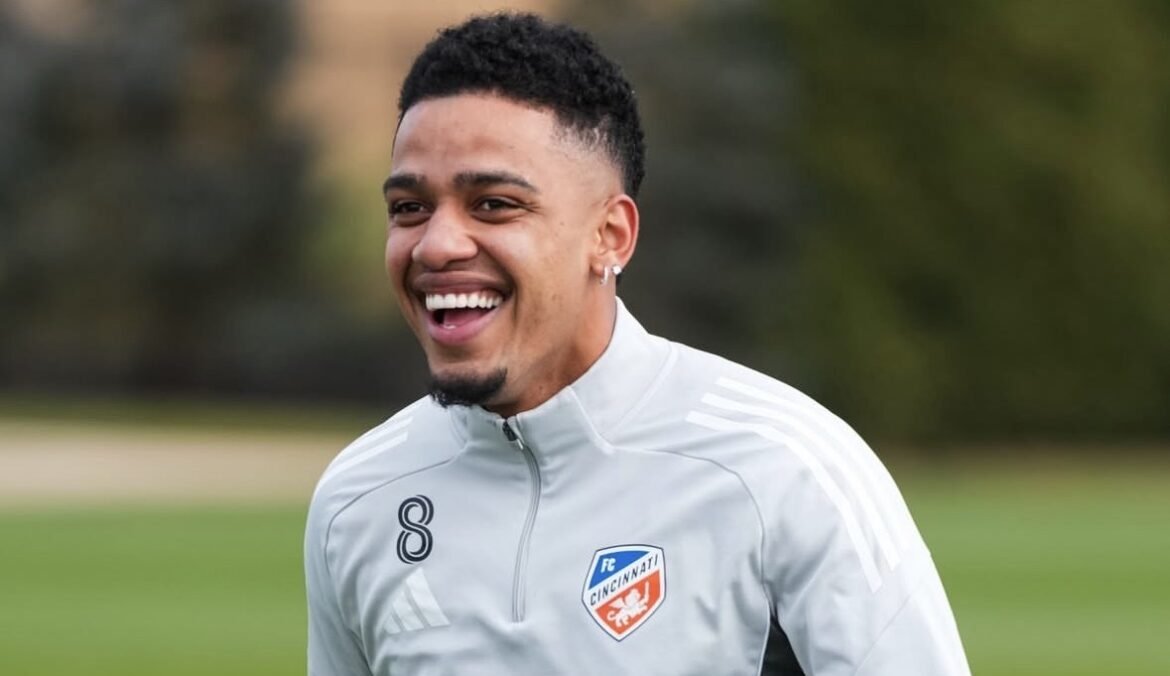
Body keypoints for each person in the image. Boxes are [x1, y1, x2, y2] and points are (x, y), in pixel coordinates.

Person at [305, 12, 971, 676]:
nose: (438, 244)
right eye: (409, 209)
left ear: (611, 236)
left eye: (494, 204)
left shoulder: (785, 473)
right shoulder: (358, 500)